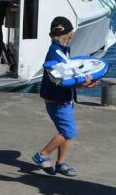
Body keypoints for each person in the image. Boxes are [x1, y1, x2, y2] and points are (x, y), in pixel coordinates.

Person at [30, 16, 95, 177]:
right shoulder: (55, 53)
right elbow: (61, 79)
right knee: (68, 131)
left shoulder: (62, 49)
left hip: (63, 97)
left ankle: (60, 163)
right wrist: (82, 83)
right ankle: (43, 154)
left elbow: (69, 73)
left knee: (64, 130)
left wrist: (82, 83)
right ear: (69, 34)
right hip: (57, 99)